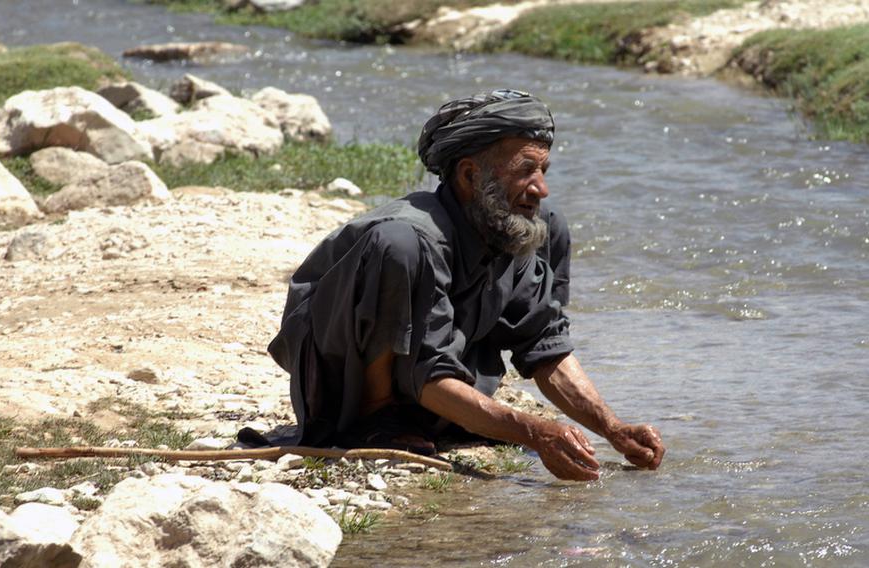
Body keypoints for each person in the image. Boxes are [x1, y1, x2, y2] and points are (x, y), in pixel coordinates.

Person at [268, 89, 664, 481]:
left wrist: (613, 429)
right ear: (470, 175)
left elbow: (545, 346)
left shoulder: (517, 224)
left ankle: (437, 419)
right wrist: (533, 431)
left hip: (433, 388)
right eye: (525, 170)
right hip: (342, 393)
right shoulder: (411, 237)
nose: (540, 187)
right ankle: (379, 417)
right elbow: (426, 372)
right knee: (398, 247)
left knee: (548, 224)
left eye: (543, 171)